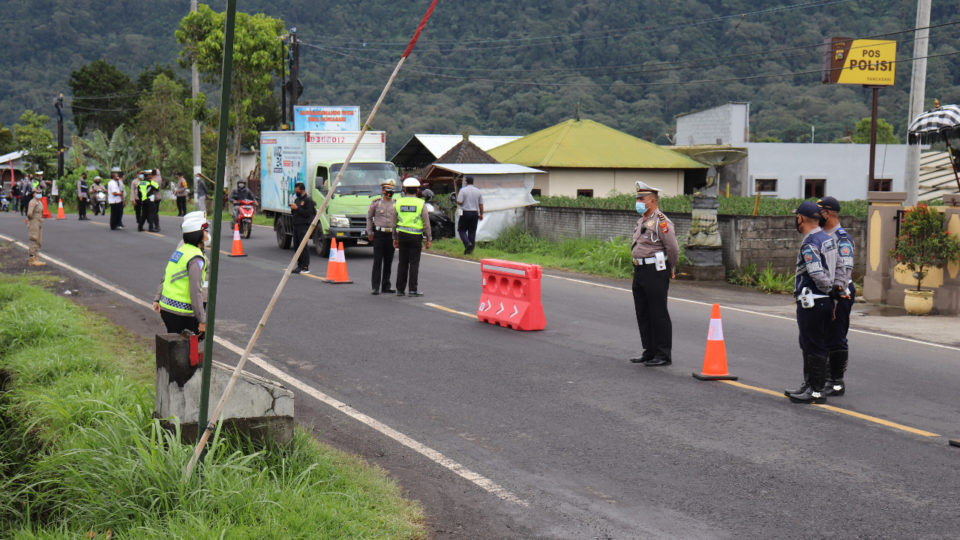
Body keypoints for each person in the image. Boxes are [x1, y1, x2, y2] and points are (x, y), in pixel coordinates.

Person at [784, 201, 838, 404]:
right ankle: (810, 385)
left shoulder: (810, 244)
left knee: (812, 344)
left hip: (812, 301)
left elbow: (816, 272)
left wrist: (826, 288)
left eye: (796, 217)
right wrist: (833, 292)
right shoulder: (827, 238)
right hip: (824, 301)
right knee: (814, 344)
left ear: (801, 219)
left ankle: (815, 391)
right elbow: (838, 267)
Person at [628, 181, 679, 367]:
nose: (638, 202)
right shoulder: (642, 220)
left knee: (658, 312)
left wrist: (671, 268)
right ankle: (649, 350)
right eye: (637, 198)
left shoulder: (662, 222)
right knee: (643, 311)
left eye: (642, 199)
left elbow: (672, 248)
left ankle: (663, 354)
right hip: (640, 269)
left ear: (653, 201)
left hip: (656, 270)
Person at [817, 196, 855, 396]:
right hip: (824, 291)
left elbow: (846, 268)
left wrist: (837, 291)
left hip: (840, 292)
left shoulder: (841, 238)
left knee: (836, 335)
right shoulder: (820, 235)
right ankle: (823, 378)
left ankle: (837, 381)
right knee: (822, 335)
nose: (816, 216)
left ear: (828, 213)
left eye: (819, 211)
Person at [153, 212, 209, 335]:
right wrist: (202, 320)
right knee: (186, 348)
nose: (208, 234)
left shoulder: (181, 251)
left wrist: (158, 298)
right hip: (183, 312)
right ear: (198, 234)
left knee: (174, 346)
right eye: (205, 231)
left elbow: (167, 274)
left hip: (168, 308)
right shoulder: (196, 257)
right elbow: (195, 291)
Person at [392, 177, 432, 297]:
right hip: (415, 237)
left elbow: (394, 221)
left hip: (402, 235)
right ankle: (412, 290)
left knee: (402, 262)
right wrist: (429, 238)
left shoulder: (398, 202)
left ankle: (399, 289)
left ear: (405, 189)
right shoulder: (420, 203)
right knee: (414, 263)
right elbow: (426, 222)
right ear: (417, 189)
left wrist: (394, 237)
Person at [366, 179, 398, 294]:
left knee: (388, 261)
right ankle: (375, 287)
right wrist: (369, 232)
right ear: (383, 190)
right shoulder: (376, 203)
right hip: (379, 234)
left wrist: (396, 236)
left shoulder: (396, 203)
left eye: (392, 190)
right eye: (388, 190)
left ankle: (386, 285)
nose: (390, 192)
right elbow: (369, 217)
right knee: (377, 261)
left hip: (391, 234)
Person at [289, 182, 316, 274]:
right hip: (296, 225)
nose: (296, 192)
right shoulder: (297, 199)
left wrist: (298, 208)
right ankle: (299, 265)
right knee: (296, 246)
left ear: (302, 190)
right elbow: (295, 212)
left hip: (304, 225)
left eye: (297, 191)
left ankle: (305, 266)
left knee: (303, 246)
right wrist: (293, 209)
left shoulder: (308, 200)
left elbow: (309, 213)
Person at [456, 175, 484, 254]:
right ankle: (470, 250)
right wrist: (481, 214)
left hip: (465, 212)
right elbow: (481, 205)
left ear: (466, 182)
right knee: (472, 232)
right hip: (475, 213)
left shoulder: (463, 190)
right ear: (473, 182)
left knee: (461, 230)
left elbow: (459, 202)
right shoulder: (478, 191)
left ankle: (467, 243)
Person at [25, 187, 46, 266]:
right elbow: (29, 213)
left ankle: (37, 257)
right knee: (33, 239)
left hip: (39, 222)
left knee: (38, 240)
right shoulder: (33, 202)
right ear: (34, 194)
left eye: (40, 192)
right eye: (37, 193)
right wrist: (32, 220)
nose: (39, 194)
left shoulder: (39, 202)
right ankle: (32, 259)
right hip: (34, 222)